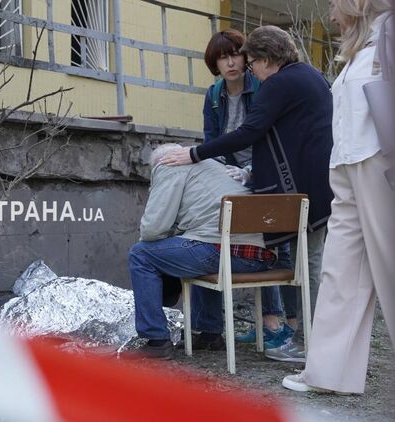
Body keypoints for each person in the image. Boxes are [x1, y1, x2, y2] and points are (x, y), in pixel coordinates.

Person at [160, 25, 334, 362]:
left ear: (266, 59)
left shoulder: (278, 84)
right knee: (308, 262)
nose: (249, 69)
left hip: (299, 190)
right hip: (317, 184)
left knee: (305, 265)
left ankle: (309, 342)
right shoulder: (310, 76)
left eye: (251, 62)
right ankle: (304, 337)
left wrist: (194, 154)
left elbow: (249, 132)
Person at [282, 0, 395, 394]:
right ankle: (328, 373)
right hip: (347, 165)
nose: (331, 14)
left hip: (380, 162)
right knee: (339, 272)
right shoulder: (361, 48)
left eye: (334, 3)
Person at [129, 144, 277, 359]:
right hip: (261, 257)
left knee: (141, 254)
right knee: (198, 245)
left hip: (221, 250)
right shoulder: (217, 166)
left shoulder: (169, 165)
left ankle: (156, 340)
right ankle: (209, 334)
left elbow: (153, 229)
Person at [193, 28, 287, 349]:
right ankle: (210, 328)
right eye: (222, 58)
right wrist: (219, 175)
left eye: (235, 54)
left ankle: (274, 322)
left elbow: (270, 137)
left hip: (264, 173)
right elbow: (211, 142)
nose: (230, 63)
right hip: (229, 175)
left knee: (267, 243)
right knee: (206, 234)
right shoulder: (213, 95)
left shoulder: (261, 87)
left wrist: (250, 173)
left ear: (246, 57)